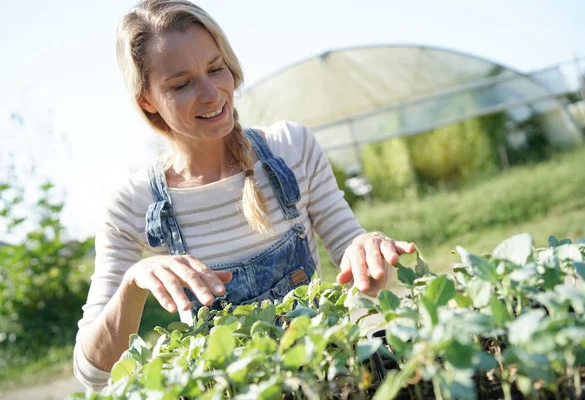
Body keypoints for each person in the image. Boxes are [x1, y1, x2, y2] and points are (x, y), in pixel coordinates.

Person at [73, 0, 415, 392]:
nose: (211, 93)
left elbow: (349, 248)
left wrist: (368, 249)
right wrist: (133, 283)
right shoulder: (132, 204)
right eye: (181, 84)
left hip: (327, 381)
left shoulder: (291, 148)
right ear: (146, 100)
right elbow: (92, 373)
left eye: (216, 69)